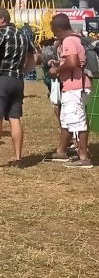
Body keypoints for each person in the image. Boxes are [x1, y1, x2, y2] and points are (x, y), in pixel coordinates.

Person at [0, 7, 36, 168]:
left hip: (0, 78)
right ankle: (18, 158)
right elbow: (34, 56)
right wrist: (24, 71)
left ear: (2, 19)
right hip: (17, 80)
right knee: (15, 118)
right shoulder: (22, 34)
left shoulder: (1, 32)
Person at [44, 13, 92, 168]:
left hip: (75, 86)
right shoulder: (77, 38)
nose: (54, 35)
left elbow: (72, 62)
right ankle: (61, 151)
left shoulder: (69, 40)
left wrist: (57, 69)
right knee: (67, 120)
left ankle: (84, 157)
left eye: (54, 32)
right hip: (77, 85)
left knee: (77, 122)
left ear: (58, 29)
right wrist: (59, 62)